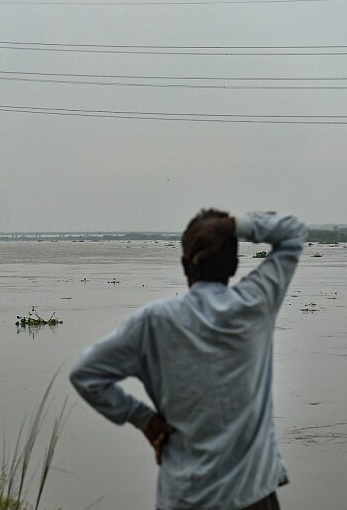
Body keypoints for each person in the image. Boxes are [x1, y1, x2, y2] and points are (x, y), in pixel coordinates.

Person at [69, 210, 306, 510]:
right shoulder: (254, 304)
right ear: (234, 264)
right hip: (251, 496)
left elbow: (85, 374)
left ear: (184, 264)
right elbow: (293, 232)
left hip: (184, 498)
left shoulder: (153, 322)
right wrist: (230, 226)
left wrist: (144, 418)